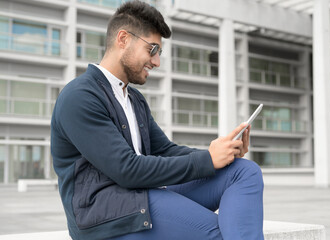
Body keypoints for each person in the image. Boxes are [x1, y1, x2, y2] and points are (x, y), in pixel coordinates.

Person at [51, 1, 264, 240]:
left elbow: (165, 150)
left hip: (140, 193)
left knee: (244, 171)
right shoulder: (80, 97)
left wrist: (222, 153)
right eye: (152, 49)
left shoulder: (134, 99)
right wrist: (207, 160)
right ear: (123, 39)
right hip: (104, 214)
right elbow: (126, 169)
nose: (156, 62)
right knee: (213, 233)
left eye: (158, 52)